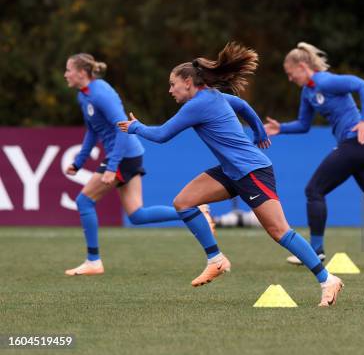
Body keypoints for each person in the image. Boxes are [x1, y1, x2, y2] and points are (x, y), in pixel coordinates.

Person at [118, 42, 344, 307]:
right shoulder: (211, 96)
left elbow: (162, 135)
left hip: (252, 172)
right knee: (184, 202)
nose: (170, 90)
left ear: (189, 82)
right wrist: (258, 131)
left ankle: (328, 279)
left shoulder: (197, 105)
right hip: (231, 171)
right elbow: (241, 104)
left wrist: (135, 128)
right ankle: (216, 259)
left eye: (172, 84)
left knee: (280, 232)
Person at [63, 53, 214, 276]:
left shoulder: (101, 93)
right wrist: (79, 162)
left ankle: (93, 260)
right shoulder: (83, 96)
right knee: (137, 215)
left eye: (69, 70)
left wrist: (113, 166)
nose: (66, 74)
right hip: (127, 155)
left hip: (123, 155)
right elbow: (93, 131)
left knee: (84, 201)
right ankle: (196, 210)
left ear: (82, 73)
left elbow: (121, 127)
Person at [265, 42, 364, 264]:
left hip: (358, 143)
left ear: (302, 66)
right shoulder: (307, 92)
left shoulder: (326, 80)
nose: (289, 78)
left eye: (290, 73)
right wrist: (281, 128)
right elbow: (304, 124)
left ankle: (315, 251)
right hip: (361, 147)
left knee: (314, 190)